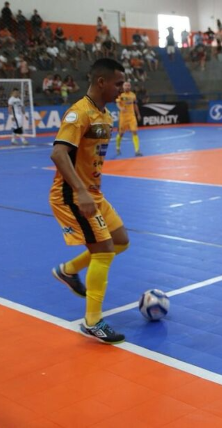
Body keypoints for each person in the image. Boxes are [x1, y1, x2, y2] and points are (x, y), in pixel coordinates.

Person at [49, 58, 129, 344]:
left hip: (93, 193)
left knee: (120, 240)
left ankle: (68, 271)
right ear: (101, 82)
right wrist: (81, 191)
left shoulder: (105, 115)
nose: (122, 88)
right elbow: (58, 154)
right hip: (72, 195)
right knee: (105, 250)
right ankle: (92, 322)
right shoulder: (78, 113)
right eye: (118, 83)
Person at [115, 81, 143, 156]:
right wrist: (121, 108)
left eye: (128, 85)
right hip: (123, 117)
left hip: (132, 116)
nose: (127, 86)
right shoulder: (120, 94)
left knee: (134, 131)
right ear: (123, 87)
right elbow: (117, 103)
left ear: (130, 87)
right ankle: (117, 147)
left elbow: (135, 105)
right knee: (121, 134)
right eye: (125, 85)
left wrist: (138, 114)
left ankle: (137, 150)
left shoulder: (133, 95)